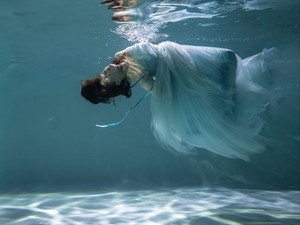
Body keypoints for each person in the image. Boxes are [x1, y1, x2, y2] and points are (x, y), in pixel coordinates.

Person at [81, 41, 276, 160]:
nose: (104, 71)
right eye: (105, 78)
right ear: (115, 84)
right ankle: (237, 104)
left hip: (177, 56)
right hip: (177, 67)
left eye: (101, 73)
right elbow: (156, 89)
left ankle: (235, 99)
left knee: (226, 59)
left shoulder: (119, 57)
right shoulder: (135, 76)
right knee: (221, 74)